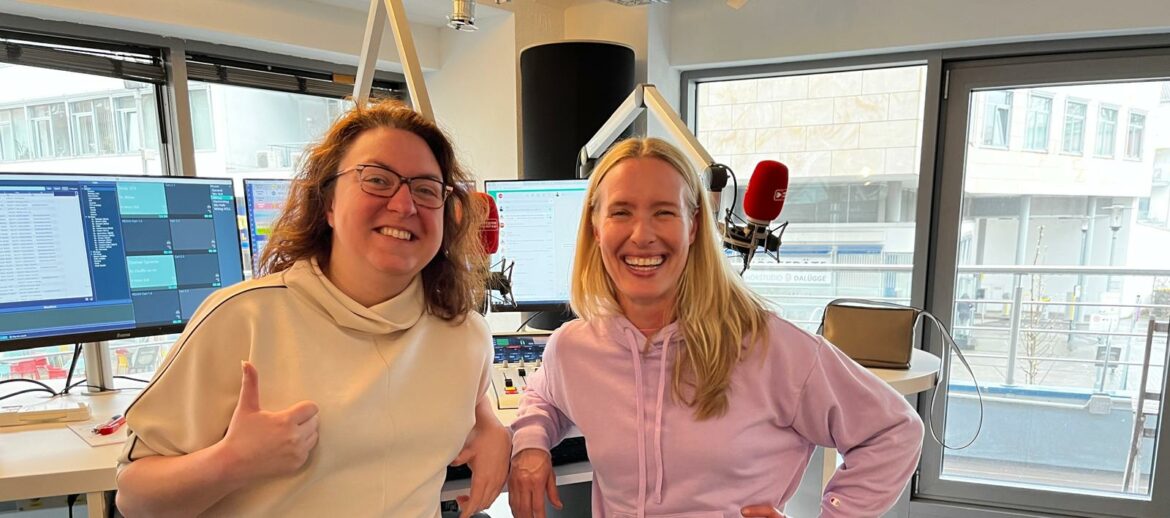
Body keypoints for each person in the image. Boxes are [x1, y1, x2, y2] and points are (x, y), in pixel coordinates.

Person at [115, 101, 509, 517]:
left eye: (426, 189)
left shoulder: (465, 334)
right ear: (328, 204)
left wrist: (490, 425)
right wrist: (231, 463)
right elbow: (135, 498)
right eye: (377, 180)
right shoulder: (242, 320)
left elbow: (457, 397)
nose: (404, 205)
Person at [507, 138, 924, 518]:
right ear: (595, 228)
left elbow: (894, 431)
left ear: (693, 225)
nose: (642, 235)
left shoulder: (770, 347)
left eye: (663, 212)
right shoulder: (574, 348)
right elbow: (543, 397)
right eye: (621, 212)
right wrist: (530, 444)